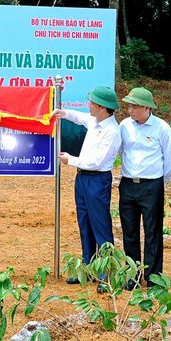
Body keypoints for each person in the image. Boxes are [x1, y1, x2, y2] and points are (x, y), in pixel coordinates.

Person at [51, 86, 122, 292]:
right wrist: (63, 113)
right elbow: (79, 117)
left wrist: (70, 160)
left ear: (102, 107)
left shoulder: (111, 130)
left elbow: (96, 162)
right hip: (83, 179)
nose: (88, 105)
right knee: (85, 224)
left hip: (97, 180)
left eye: (92, 102)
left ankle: (106, 274)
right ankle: (89, 269)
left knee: (100, 226)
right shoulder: (95, 121)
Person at [117, 87, 171, 288]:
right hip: (127, 184)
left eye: (134, 106)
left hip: (151, 185)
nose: (130, 110)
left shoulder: (161, 128)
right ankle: (132, 276)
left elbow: (169, 159)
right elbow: (120, 152)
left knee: (153, 231)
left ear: (146, 108)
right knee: (129, 231)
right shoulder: (125, 126)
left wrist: (160, 180)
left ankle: (153, 276)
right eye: (129, 106)